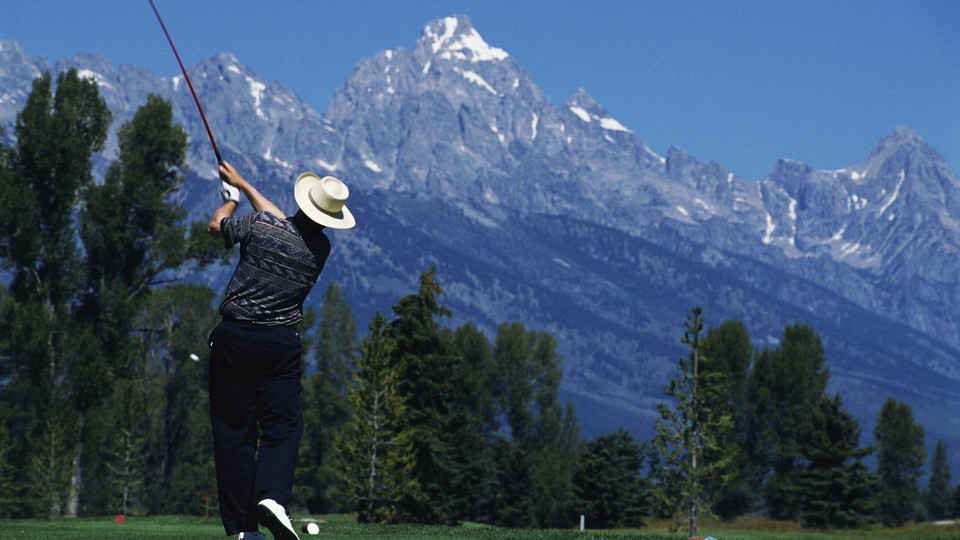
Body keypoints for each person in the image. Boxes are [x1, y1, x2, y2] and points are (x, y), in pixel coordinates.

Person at [206, 162, 356, 539]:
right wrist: (244, 181)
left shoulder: (259, 226)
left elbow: (216, 227)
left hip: (235, 340)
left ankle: (244, 530)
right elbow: (279, 222)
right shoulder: (320, 248)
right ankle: (272, 497)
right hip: (280, 346)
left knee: (234, 434)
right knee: (283, 428)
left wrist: (230, 200)